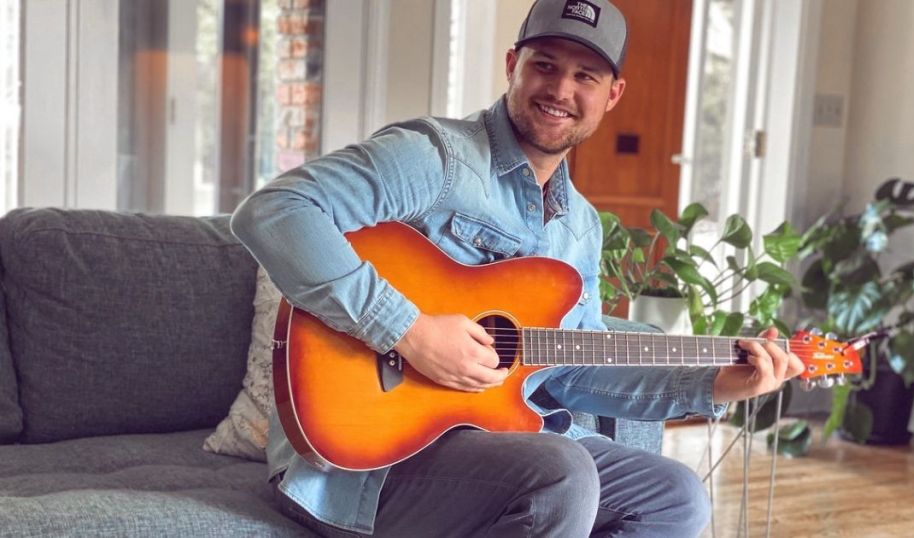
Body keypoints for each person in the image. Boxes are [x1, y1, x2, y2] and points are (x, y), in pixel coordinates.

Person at [231, 0, 804, 536]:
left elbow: (575, 370)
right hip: (361, 459)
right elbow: (275, 210)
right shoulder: (435, 159)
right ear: (513, 65)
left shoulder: (580, 227)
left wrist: (717, 383)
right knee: (561, 472)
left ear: (613, 94)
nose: (560, 89)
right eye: (545, 66)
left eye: (586, 76)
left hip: (504, 443)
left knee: (675, 494)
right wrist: (408, 331)